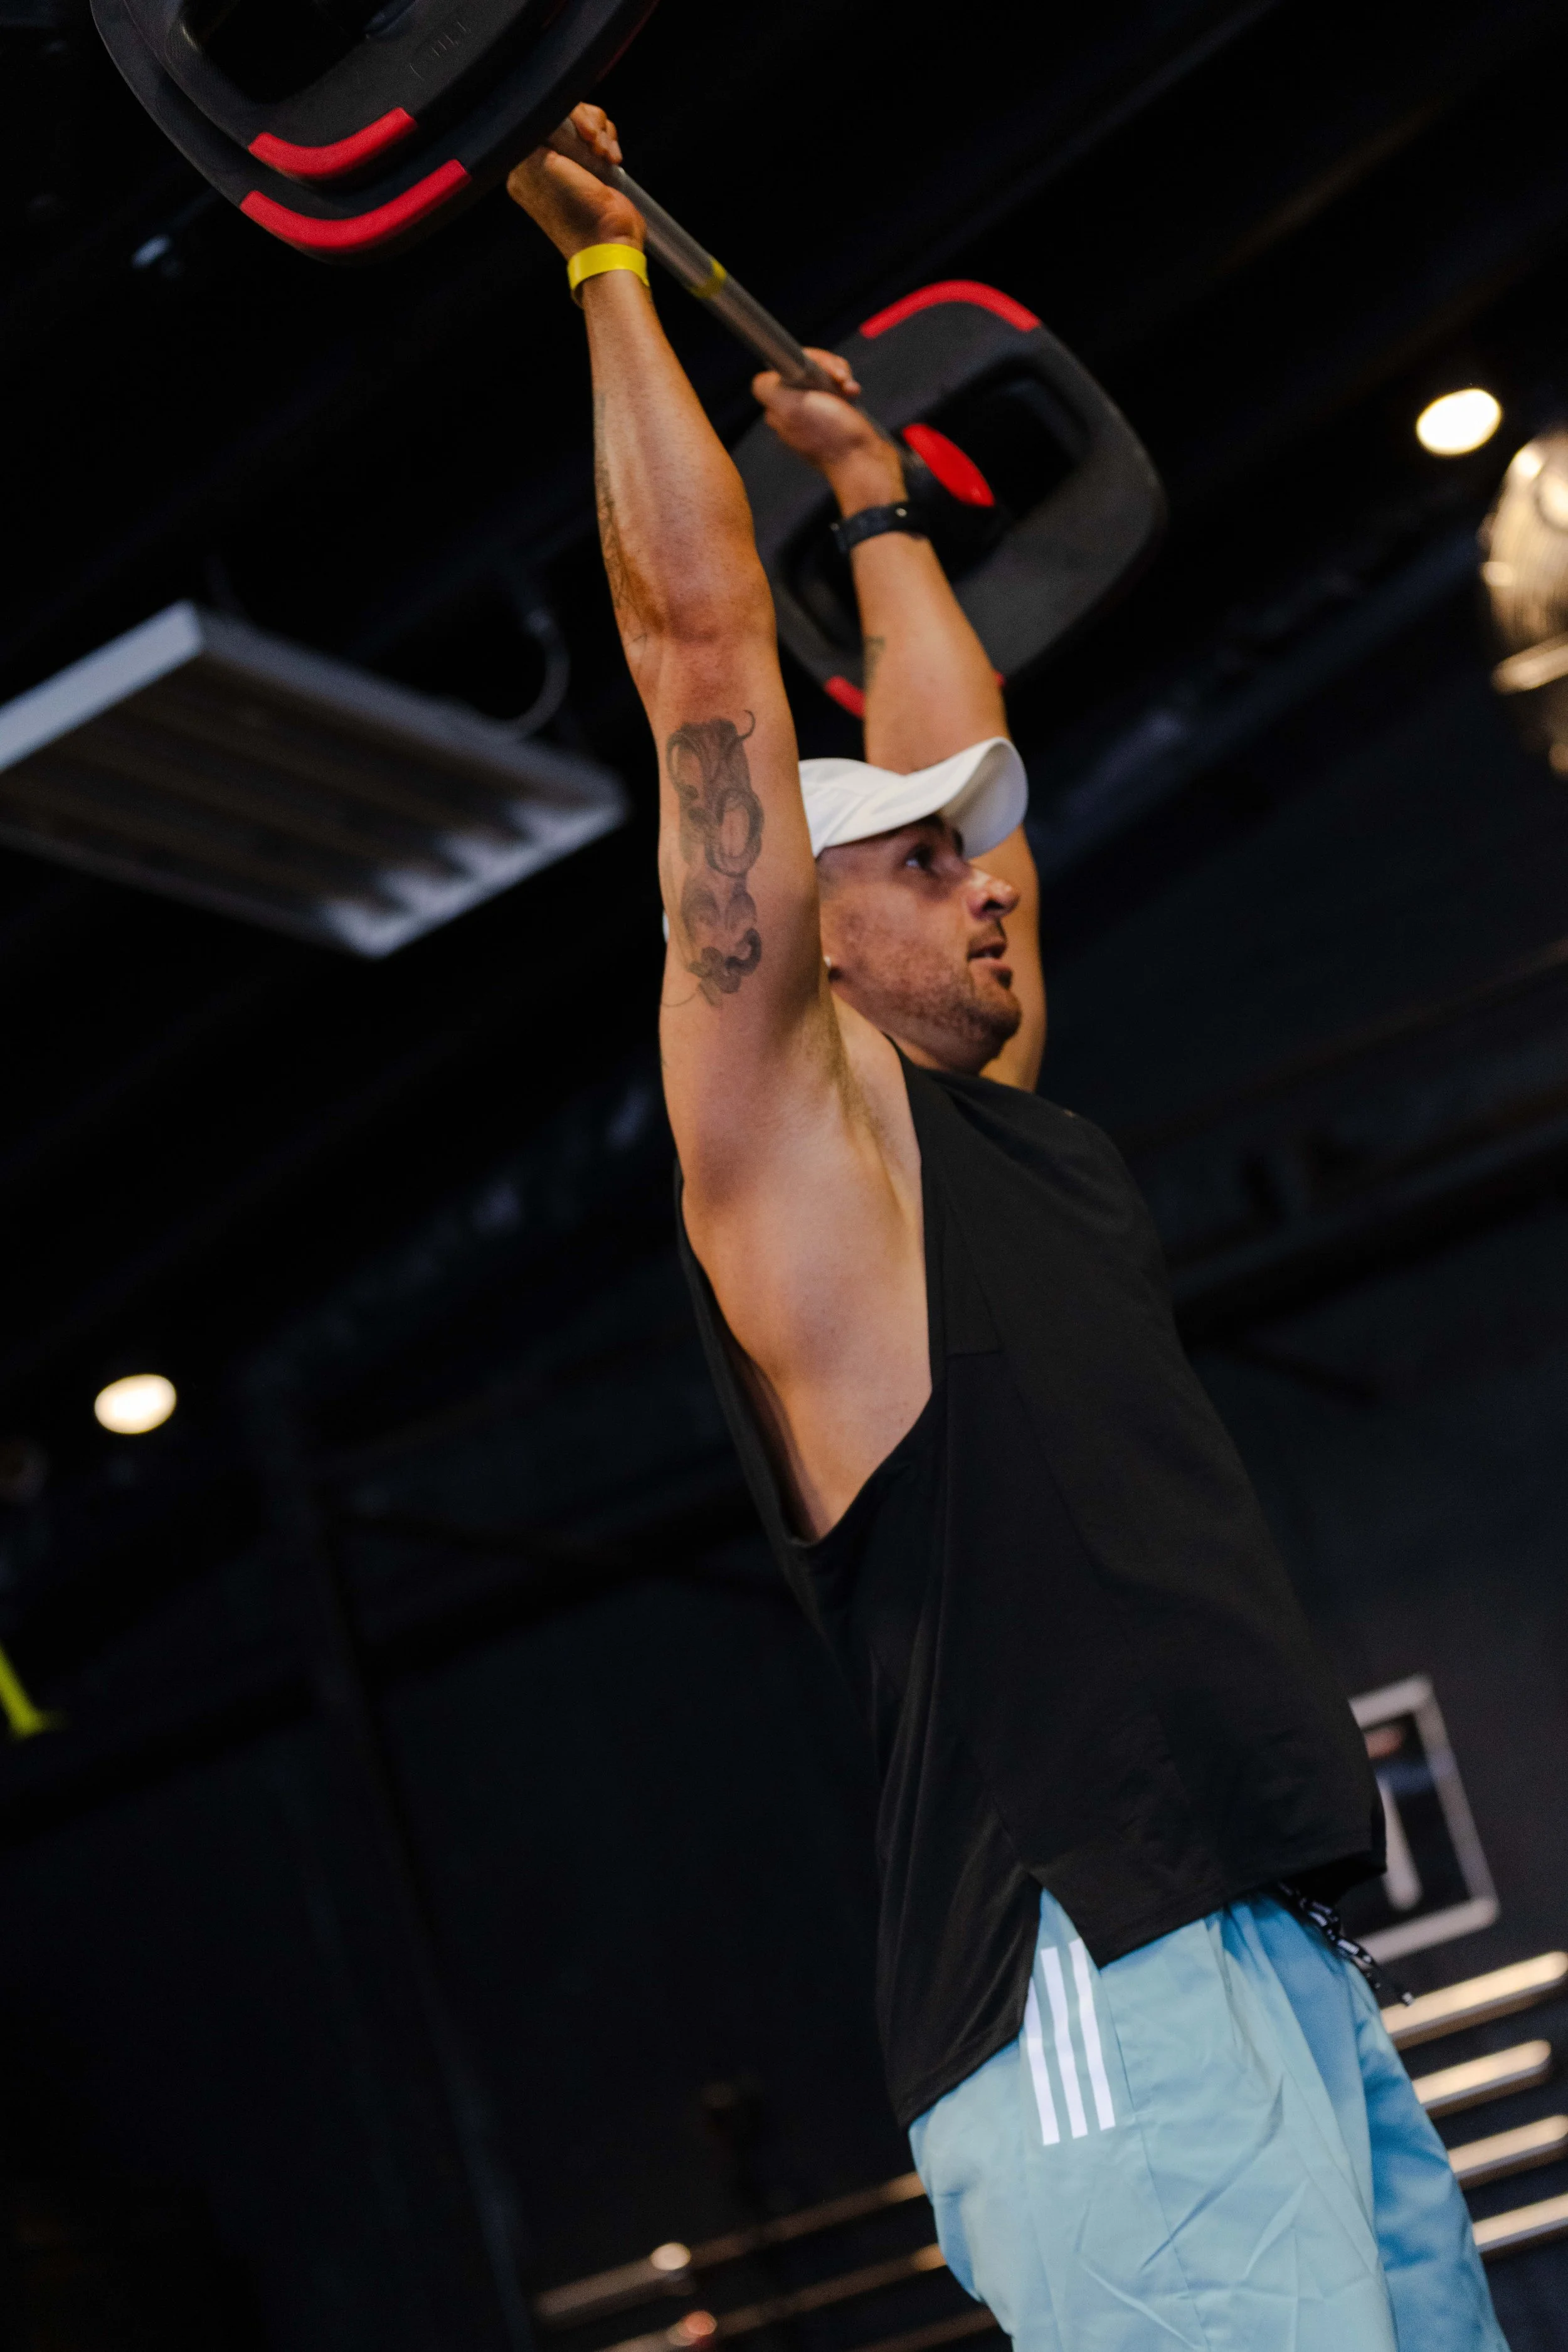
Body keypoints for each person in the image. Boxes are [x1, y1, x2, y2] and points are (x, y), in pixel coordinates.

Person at [507, 107, 1509, 2352]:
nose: (987, 882)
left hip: (1254, 1945)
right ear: (809, 938)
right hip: (1089, 1978)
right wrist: (601, 273)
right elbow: (695, 660)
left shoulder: (1007, 1132)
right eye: (921, 865)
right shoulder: (799, 1165)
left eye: (990, 859)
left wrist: (870, 501)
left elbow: (961, 763)